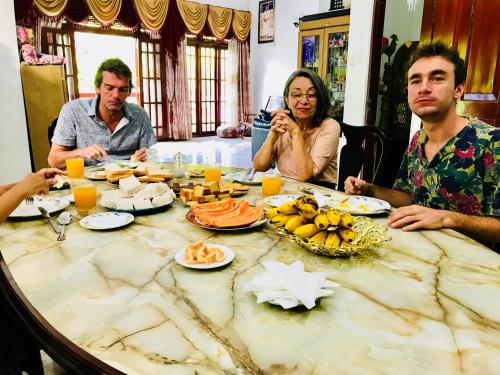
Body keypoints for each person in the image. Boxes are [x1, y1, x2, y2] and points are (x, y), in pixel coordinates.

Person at [344, 41, 500, 242]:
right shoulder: (419, 139)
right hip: (422, 255)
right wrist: (368, 189)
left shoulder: (492, 142)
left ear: (459, 89)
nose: (424, 88)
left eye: (437, 78)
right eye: (416, 81)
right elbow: (408, 198)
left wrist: (446, 218)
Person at [48, 58, 157, 168]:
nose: (116, 95)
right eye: (109, 88)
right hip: (86, 180)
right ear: (97, 88)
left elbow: (152, 154)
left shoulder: (139, 114)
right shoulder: (73, 110)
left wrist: (147, 156)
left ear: (129, 92)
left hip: (128, 178)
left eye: (123, 89)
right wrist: (80, 152)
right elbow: (53, 160)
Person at [253, 69, 341, 186]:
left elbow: (305, 175)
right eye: (296, 95)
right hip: (284, 191)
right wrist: (272, 136)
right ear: (287, 101)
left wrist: (295, 132)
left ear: (319, 100)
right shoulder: (284, 123)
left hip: (318, 195)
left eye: (311, 95)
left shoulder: (330, 126)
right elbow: (259, 166)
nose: (304, 101)